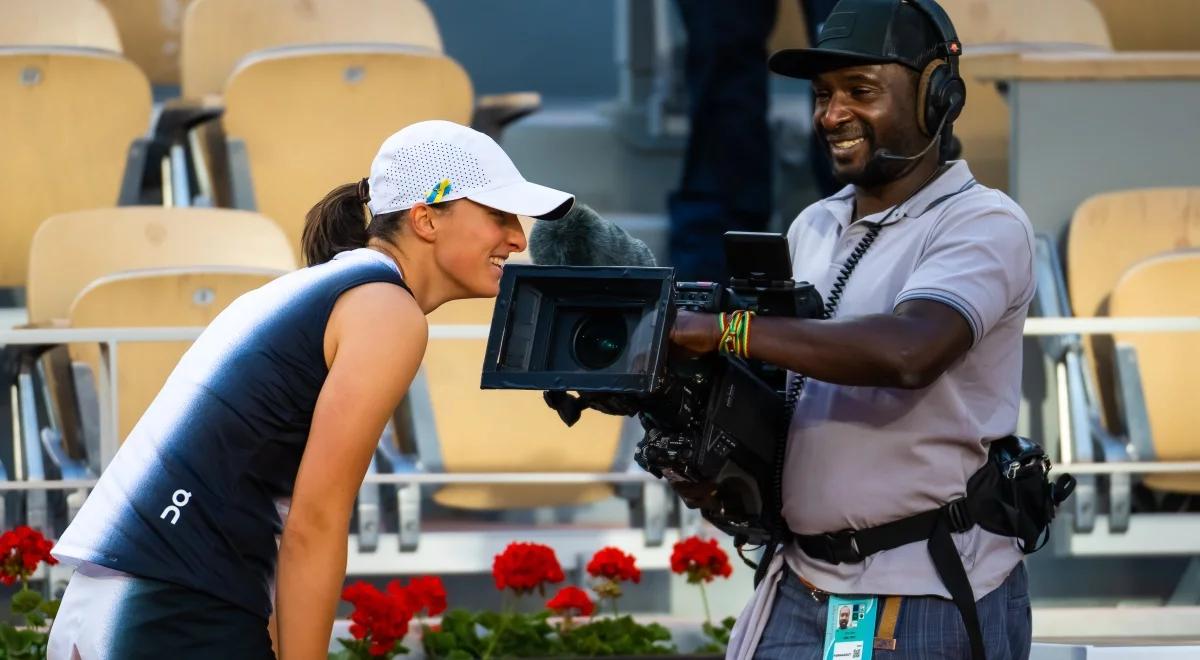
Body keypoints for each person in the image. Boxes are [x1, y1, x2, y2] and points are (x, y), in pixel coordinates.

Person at [46, 120, 574, 660]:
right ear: (425, 219)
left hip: (125, 603)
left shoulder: (329, 289)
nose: (518, 237)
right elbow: (315, 524)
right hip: (166, 610)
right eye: (498, 216)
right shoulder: (386, 312)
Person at [666, 1, 1036, 658]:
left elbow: (909, 350)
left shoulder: (985, 222)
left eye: (859, 92)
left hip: (926, 595)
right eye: (821, 95)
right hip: (799, 583)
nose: (830, 115)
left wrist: (728, 331)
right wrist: (725, 469)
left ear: (936, 96)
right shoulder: (812, 224)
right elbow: (796, 393)